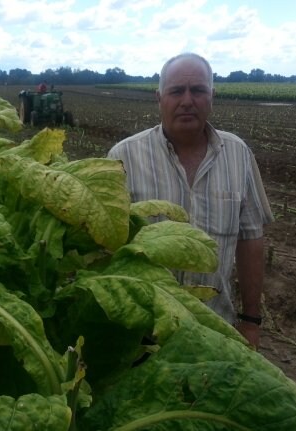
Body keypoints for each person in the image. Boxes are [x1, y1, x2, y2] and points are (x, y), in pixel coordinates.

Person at [107, 52, 273, 349]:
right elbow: (104, 247)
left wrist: (251, 321)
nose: (187, 100)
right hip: (141, 333)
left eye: (198, 90)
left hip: (214, 328)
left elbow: (251, 241)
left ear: (212, 96)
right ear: (159, 98)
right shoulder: (123, 157)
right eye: (176, 91)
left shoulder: (238, 154)